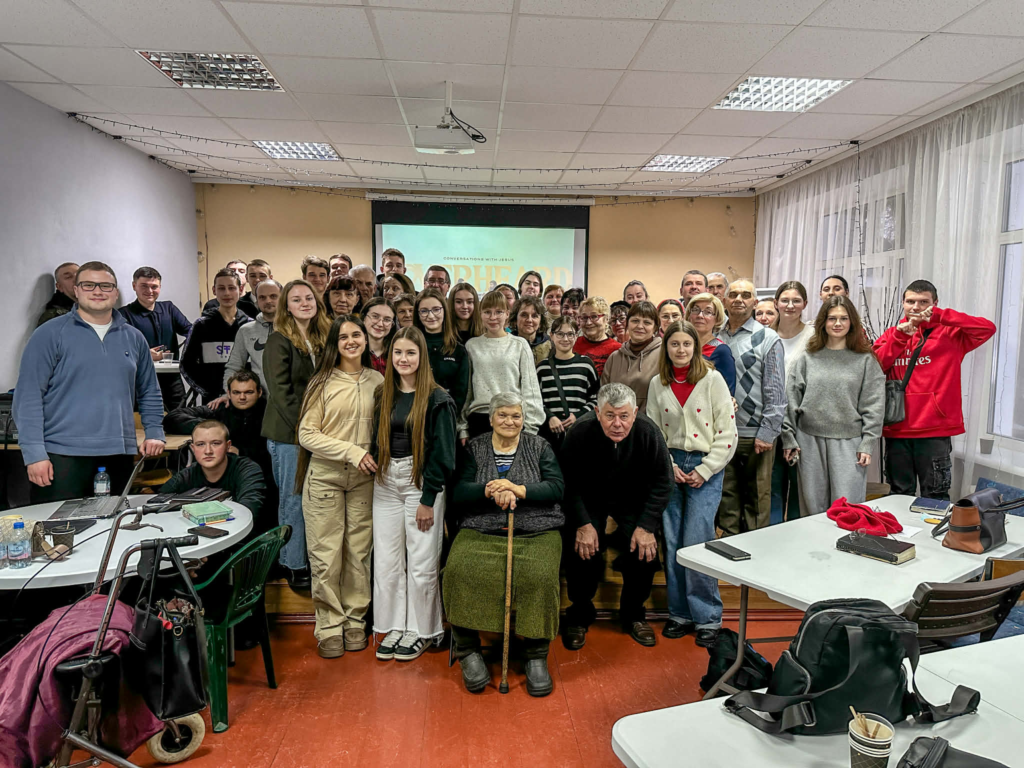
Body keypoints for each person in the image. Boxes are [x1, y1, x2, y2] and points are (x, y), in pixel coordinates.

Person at [14, 261, 165, 504]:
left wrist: (155, 431)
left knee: (113, 530)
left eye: (106, 286)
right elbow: (28, 396)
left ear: (116, 292)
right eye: (88, 285)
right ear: (76, 290)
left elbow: (149, 390)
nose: (98, 291)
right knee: (59, 533)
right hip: (61, 455)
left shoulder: (134, 337)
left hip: (119, 452)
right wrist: (34, 454)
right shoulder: (49, 334)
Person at [444, 393, 564, 696]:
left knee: (539, 575)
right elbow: (458, 492)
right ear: (491, 418)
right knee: (458, 569)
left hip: (536, 529)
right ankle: (467, 650)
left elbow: (556, 487)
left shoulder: (539, 446)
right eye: (503, 415)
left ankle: (536, 654)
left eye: (516, 416)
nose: (510, 421)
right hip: (481, 529)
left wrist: (518, 489)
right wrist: (490, 490)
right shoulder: (475, 447)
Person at [296, 314, 384, 658]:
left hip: (364, 480)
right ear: (335, 343)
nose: (351, 341)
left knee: (358, 555)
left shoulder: (378, 379)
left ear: (365, 339)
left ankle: (354, 622)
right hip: (326, 477)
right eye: (344, 336)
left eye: (356, 335)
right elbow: (307, 434)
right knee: (326, 556)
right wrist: (351, 450)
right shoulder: (321, 382)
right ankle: (330, 626)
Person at [561, 383, 673, 649]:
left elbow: (663, 482)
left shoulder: (648, 432)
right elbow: (568, 483)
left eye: (624, 416)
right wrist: (583, 524)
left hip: (632, 498)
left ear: (634, 413)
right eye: (610, 415)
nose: (617, 424)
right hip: (589, 496)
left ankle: (633, 614)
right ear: (598, 412)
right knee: (582, 548)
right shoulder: (579, 432)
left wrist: (646, 526)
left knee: (644, 551)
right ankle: (579, 614)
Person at [647, 320, 736, 646]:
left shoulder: (712, 380)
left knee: (696, 541)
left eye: (686, 344)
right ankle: (679, 614)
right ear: (666, 348)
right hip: (670, 467)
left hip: (704, 467)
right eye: (674, 345)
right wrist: (668, 466)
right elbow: (654, 431)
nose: (681, 350)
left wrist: (706, 469)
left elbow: (728, 433)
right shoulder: (659, 383)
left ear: (695, 348)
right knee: (673, 541)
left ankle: (707, 617)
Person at [371, 327, 457, 662]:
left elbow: (444, 455)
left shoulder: (438, 399)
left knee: (421, 563)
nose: (403, 359)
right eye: (397, 353)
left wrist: (427, 499)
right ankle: (393, 625)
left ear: (422, 357)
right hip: (386, 483)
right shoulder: (384, 394)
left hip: (421, 484)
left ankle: (423, 631)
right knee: (388, 562)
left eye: (410, 353)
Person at [873, 279, 996, 500]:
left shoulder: (951, 335)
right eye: (910, 301)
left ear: (934, 303)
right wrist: (900, 337)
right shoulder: (892, 334)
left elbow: (987, 328)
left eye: (923, 302)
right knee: (898, 495)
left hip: (935, 430)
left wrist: (941, 316)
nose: (916, 307)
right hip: (897, 429)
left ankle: (935, 536)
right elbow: (875, 367)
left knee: (936, 496)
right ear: (903, 303)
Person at [783, 297, 885, 514]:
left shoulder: (865, 360)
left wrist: (868, 442)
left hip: (849, 443)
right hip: (809, 441)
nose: (837, 323)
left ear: (852, 323)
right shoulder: (807, 358)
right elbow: (791, 399)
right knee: (812, 509)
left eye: (843, 318)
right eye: (832, 318)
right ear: (823, 323)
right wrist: (788, 436)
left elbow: (874, 405)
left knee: (848, 509)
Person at [263, 279, 332, 589]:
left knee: (315, 500)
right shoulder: (279, 340)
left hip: (319, 431)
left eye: (309, 297)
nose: (305, 303)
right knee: (293, 500)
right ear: (286, 307)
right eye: (296, 299)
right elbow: (281, 393)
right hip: (289, 433)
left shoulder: (322, 336)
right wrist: (306, 430)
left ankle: (309, 558)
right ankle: (292, 562)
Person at [718, 279, 786, 535]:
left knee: (757, 501)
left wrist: (768, 432)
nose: (738, 299)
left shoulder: (768, 338)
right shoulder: (715, 336)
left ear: (755, 302)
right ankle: (729, 554)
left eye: (745, 295)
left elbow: (776, 390)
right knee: (727, 498)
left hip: (755, 433)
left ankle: (755, 556)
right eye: (733, 294)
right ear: (724, 301)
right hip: (722, 433)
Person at [164, 372, 272, 522]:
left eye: (248, 392)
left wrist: (241, 451)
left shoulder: (270, 414)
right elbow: (172, 419)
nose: (242, 397)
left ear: (259, 392)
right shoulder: (221, 409)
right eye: (236, 392)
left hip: (259, 477)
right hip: (216, 475)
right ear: (228, 393)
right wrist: (213, 430)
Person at [460, 291, 545, 440]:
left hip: (511, 419)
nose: (493, 317)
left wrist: (531, 427)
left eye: (498, 312)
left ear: (507, 313)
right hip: (480, 419)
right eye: (487, 312)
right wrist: (462, 427)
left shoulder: (520, 345)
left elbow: (530, 388)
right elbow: (466, 391)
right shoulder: (471, 346)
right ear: (480, 314)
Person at [770, 281, 815, 523]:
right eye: (784, 300)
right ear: (776, 302)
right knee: (772, 485)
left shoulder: (814, 336)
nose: (790, 305)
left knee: (799, 488)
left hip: (801, 423)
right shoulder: (765, 334)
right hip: (769, 422)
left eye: (796, 300)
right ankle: (773, 540)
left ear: (805, 304)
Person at [119, 266, 192, 411]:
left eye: (154, 287)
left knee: (179, 417)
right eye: (144, 286)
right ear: (134, 286)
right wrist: (144, 353)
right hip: (140, 379)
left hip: (171, 378)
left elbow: (191, 331)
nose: (150, 291)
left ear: (160, 287)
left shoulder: (169, 308)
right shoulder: (124, 315)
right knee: (145, 424)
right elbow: (118, 347)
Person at [160, 420, 265, 521]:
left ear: (228, 446)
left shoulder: (247, 470)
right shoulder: (187, 474)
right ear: (193, 448)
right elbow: (159, 501)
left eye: (215, 443)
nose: (208, 451)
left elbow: (248, 511)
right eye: (200, 444)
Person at [181, 268, 252, 404]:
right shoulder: (200, 325)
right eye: (221, 288)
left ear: (240, 289)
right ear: (214, 291)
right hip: (212, 400)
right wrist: (207, 391)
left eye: (231, 288)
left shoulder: (250, 326)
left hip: (245, 399)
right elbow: (186, 364)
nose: (227, 293)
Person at [536, 317, 599, 449]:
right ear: (551, 336)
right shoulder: (542, 368)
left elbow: (596, 399)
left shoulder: (586, 365)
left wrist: (578, 416)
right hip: (549, 435)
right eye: (560, 334)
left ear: (576, 336)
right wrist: (550, 417)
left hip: (580, 433)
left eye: (570, 334)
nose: (565, 339)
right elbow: (535, 400)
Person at [413, 288, 470, 416]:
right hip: (413, 416)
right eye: (424, 311)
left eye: (436, 309)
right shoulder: (410, 345)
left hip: (446, 416)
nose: (431, 315)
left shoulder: (458, 350)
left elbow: (461, 393)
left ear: (444, 310)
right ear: (417, 314)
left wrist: (448, 416)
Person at [601, 300, 662, 413]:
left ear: (655, 328)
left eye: (647, 323)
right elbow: (604, 396)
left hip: (652, 424)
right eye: (635, 321)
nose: (640, 326)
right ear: (627, 324)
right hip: (618, 424)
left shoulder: (664, 355)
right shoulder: (614, 358)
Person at [223, 279, 280, 394]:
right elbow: (234, 367)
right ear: (257, 301)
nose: (268, 301)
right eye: (262, 297)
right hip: (259, 401)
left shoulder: (295, 328)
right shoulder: (246, 331)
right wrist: (228, 393)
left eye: (273, 296)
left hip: (292, 402)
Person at [686, 293, 736, 395]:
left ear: (717, 319)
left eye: (708, 312)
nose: (700, 316)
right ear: (689, 315)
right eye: (695, 310)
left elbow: (727, 393)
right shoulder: (681, 346)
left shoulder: (721, 350)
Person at [573, 296, 621, 378]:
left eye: (594, 316)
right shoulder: (573, 344)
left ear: (606, 319)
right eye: (584, 317)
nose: (588, 323)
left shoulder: (617, 350)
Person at [511, 295, 552, 366]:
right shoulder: (506, 344)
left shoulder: (550, 346)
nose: (529, 320)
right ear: (515, 320)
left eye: (534, 316)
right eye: (524, 315)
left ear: (540, 322)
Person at [37, 262, 78, 327]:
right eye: (68, 277)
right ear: (59, 287)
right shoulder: (55, 317)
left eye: (79, 275)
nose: (76, 279)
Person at [362, 297, 397, 375]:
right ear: (364, 318)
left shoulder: (396, 352)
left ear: (392, 325)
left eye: (387, 320)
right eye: (375, 316)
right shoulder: (354, 352)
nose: (380, 324)